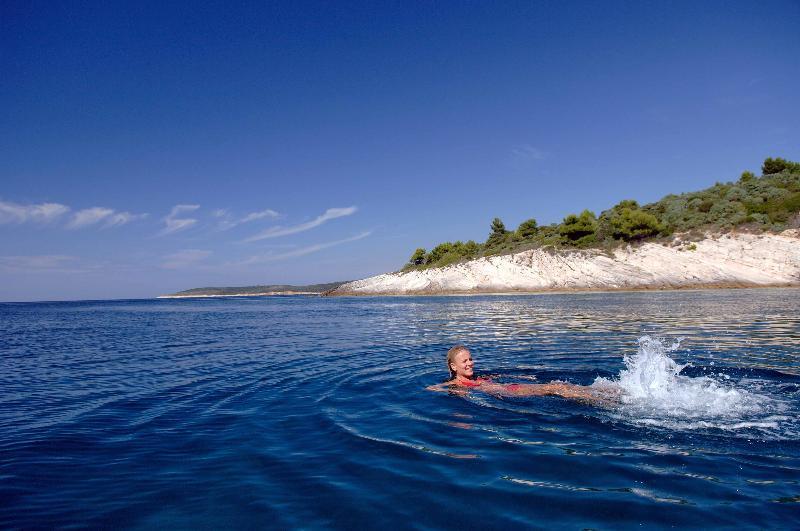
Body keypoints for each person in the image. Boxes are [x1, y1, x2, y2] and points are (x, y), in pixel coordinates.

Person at [426, 344, 600, 401]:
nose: (471, 363)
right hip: (509, 392)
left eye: (470, 359)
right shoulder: (455, 384)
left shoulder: (478, 377)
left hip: (511, 388)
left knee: (559, 387)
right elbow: (436, 388)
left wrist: (524, 376)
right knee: (556, 389)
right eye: (465, 361)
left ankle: (604, 394)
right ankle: (603, 396)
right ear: (453, 367)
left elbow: (498, 376)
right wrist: (437, 388)